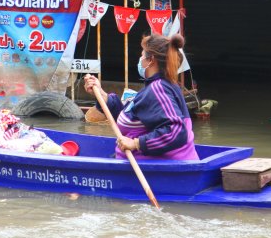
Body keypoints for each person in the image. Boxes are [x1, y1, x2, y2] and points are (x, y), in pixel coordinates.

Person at [83, 33, 198, 161]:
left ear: (151, 60)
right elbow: (131, 118)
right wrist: (101, 94)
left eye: (142, 54)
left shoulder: (158, 89)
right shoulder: (159, 86)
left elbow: (176, 132)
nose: (140, 58)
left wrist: (136, 144)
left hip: (162, 171)